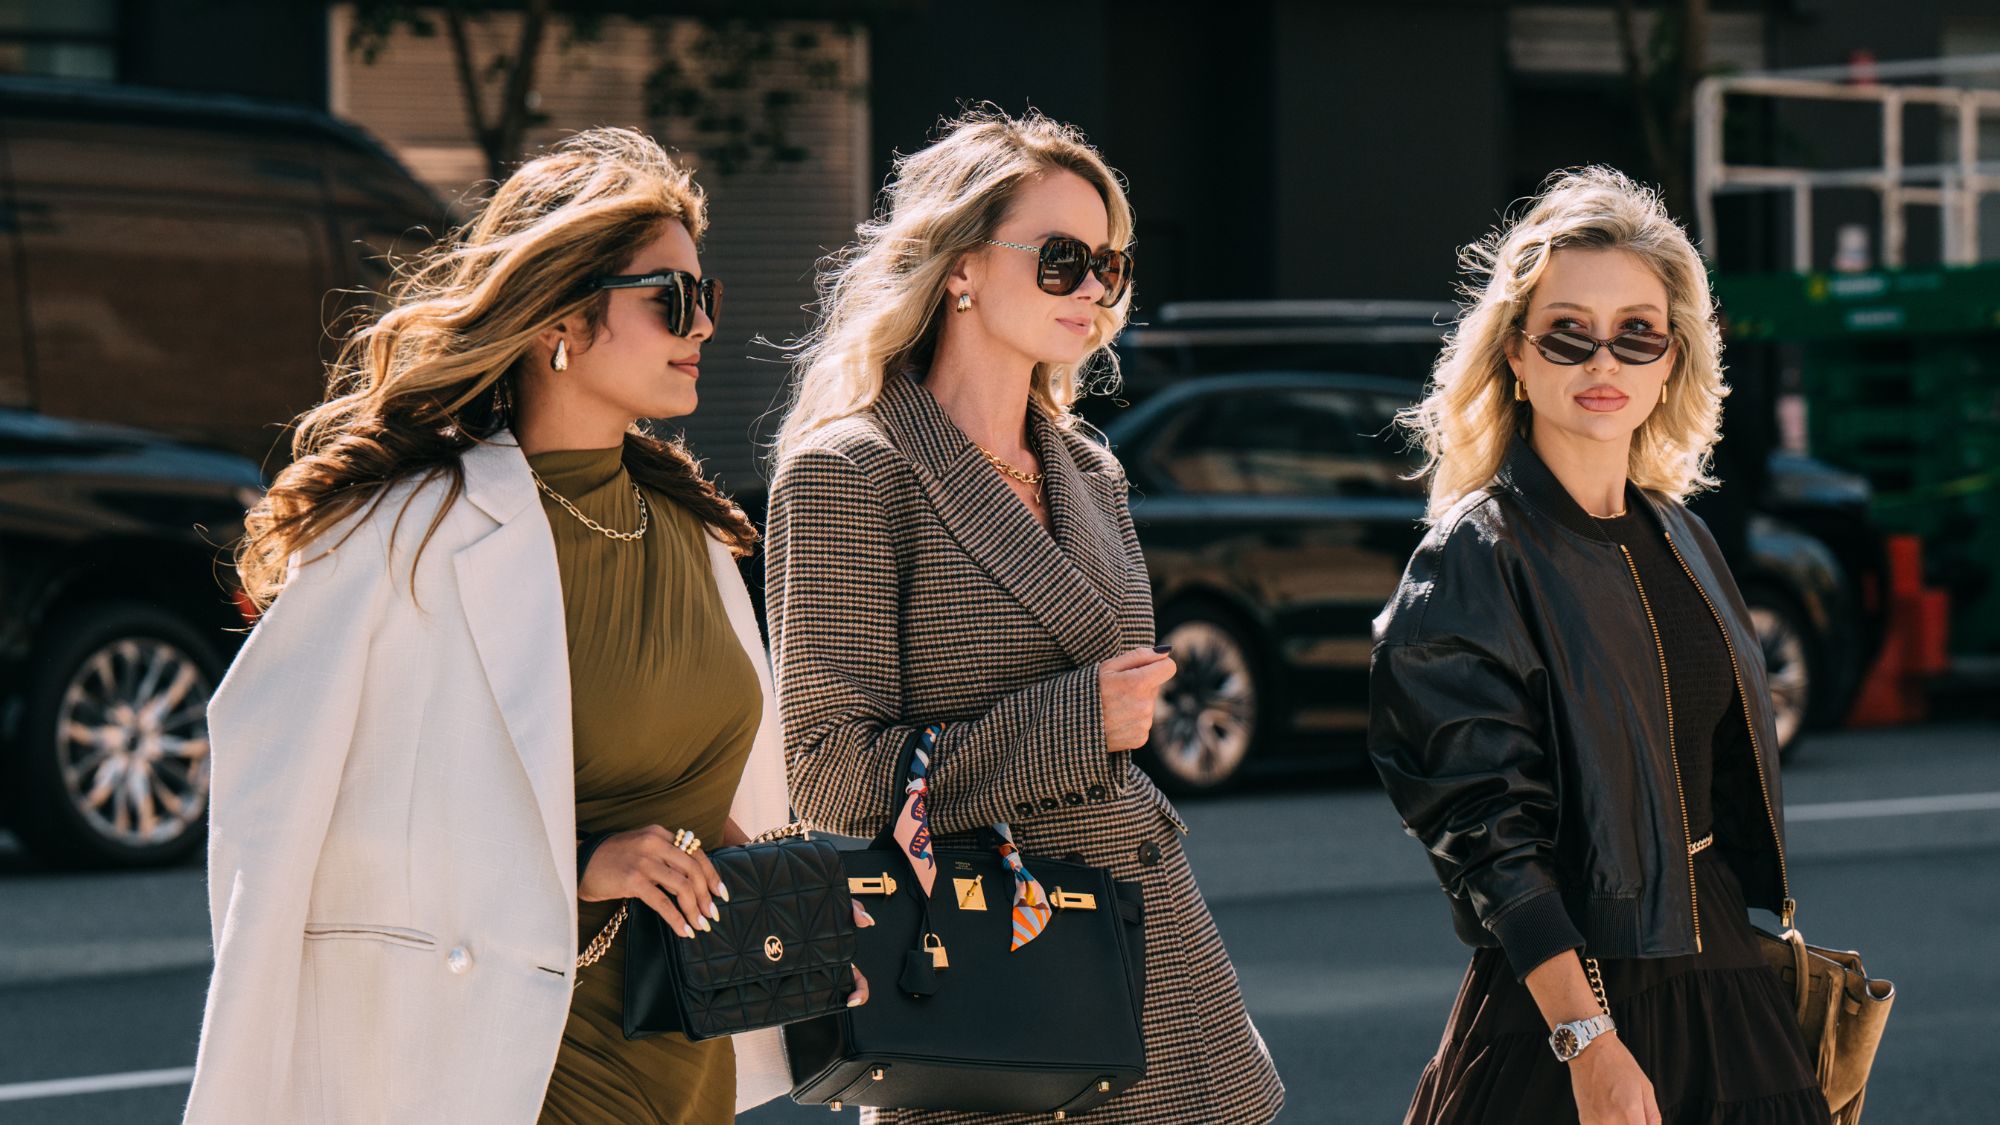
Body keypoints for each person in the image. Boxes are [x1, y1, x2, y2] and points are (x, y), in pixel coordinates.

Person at [183, 126, 868, 1125]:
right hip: (501, 1062)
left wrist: (782, 889)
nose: (705, 325)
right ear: (561, 316)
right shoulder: (410, 529)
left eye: (706, 298)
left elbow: (706, 794)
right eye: (672, 299)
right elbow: (282, 811)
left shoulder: (693, 533)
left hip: (680, 1053)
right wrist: (579, 862)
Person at [762, 106, 1285, 1124]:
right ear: (958, 265)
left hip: (1153, 959)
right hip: (985, 991)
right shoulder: (848, 473)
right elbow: (825, 771)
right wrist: (1072, 726)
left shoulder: (1089, 468)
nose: (1093, 287)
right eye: (1059, 258)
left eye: (1110, 264)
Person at [1368, 166, 1833, 1125]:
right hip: (1574, 1008)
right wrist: (1589, 1043)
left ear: (1671, 360)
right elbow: (1489, 835)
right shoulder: (1472, 554)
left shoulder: (1684, 536)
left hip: (1726, 981)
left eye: (1636, 334)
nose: (1603, 362)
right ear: (1517, 355)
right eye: (1569, 333)